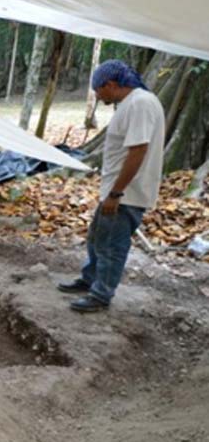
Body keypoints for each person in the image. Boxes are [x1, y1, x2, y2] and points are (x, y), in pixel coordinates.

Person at [58, 59, 165, 313]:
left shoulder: (140, 104)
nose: (97, 96)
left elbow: (138, 150)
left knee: (111, 246)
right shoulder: (131, 103)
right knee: (97, 237)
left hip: (126, 193)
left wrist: (117, 193)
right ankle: (90, 279)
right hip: (116, 190)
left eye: (98, 90)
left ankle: (101, 294)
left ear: (111, 84)